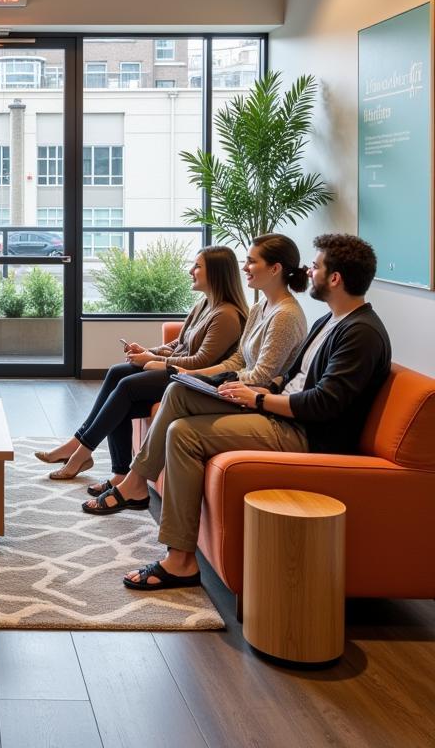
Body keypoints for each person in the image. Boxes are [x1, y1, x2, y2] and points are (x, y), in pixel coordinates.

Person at [101, 233, 391, 591]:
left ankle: (178, 559)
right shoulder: (330, 321)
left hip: (302, 433)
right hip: (277, 410)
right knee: (178, 391)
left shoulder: (361, 334)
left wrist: (256, 399)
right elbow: (291, 375)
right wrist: (248, 388)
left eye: (316, 267)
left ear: (335, 278)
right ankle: (137, 486)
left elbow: (322, 403)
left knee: (184, 433)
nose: (309, 271)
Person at [81, 232, 309, 511]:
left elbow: (261, 375)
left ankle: (130, 480)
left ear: (275, 269)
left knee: (169, 389)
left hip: (252, 399)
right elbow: (238, 358)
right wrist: (204, 376)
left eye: (252, 262)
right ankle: (126, 477)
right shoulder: (261, 307)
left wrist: (208, 378)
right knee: (140, 379)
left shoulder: (285, 316)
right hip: (235, 387)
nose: (245, 268)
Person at [36, 246, 248, 481]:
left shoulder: (226, 315)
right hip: (176, 370)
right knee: (118, 373)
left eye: (197, 266)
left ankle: (79, 454)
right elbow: (178, 344)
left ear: (217, 273)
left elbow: (201, 361)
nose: (190, 271)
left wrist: (153, 359)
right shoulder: (204, 305)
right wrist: (148, 351)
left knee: (126, 388)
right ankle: (109, 467)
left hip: (193, 378)